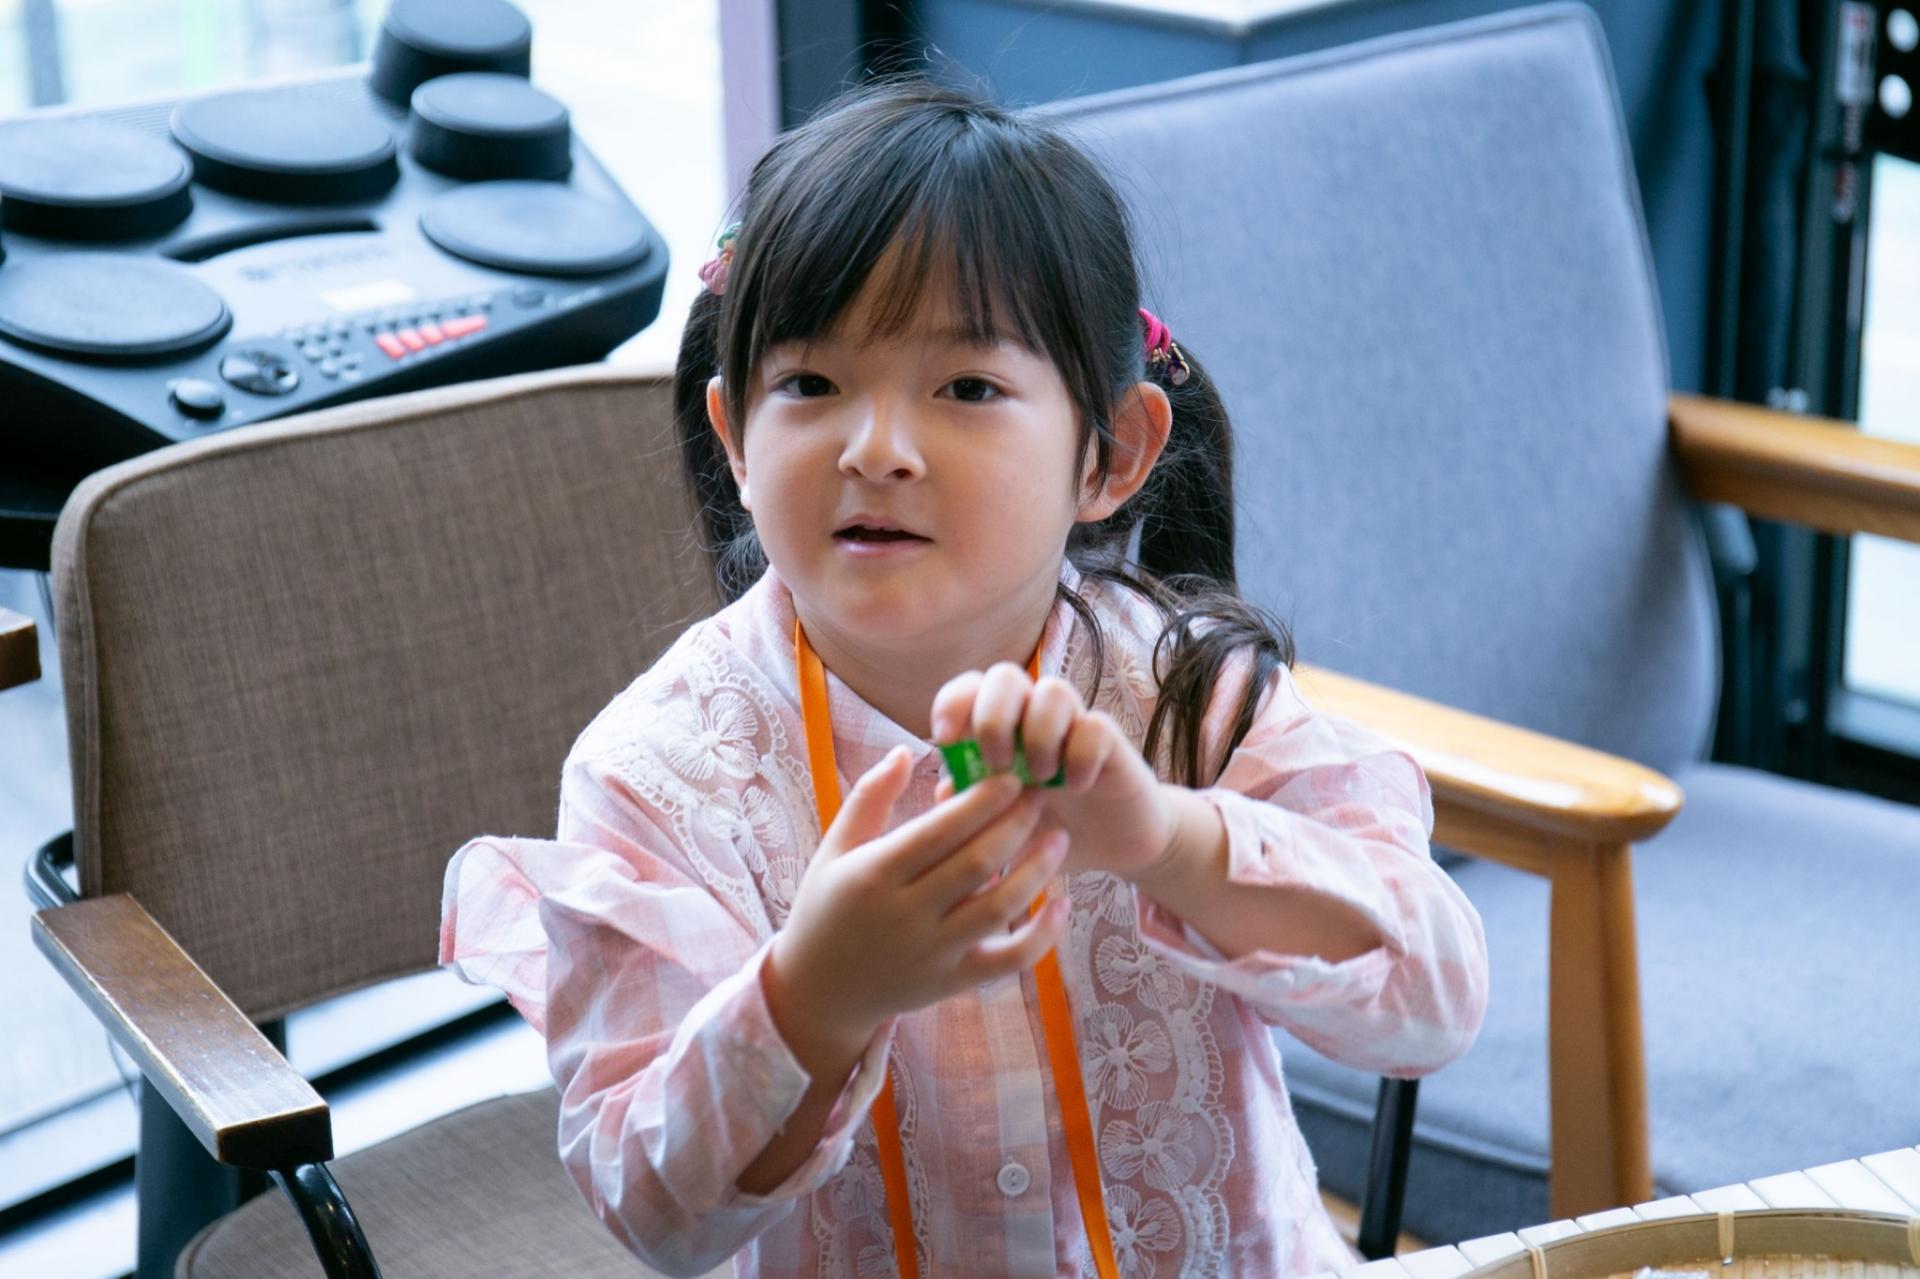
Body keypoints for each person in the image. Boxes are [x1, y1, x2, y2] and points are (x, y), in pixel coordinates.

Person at [439, 76, 1488, 1279]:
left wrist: (1169, 841)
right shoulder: (658, 775)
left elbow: (1435, 999)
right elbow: (656, 1211)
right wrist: (816, 990)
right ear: (734, 439)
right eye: (811, 385)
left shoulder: (1190, 695)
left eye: (967, 388)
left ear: (1112, 455)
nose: (876, 448)